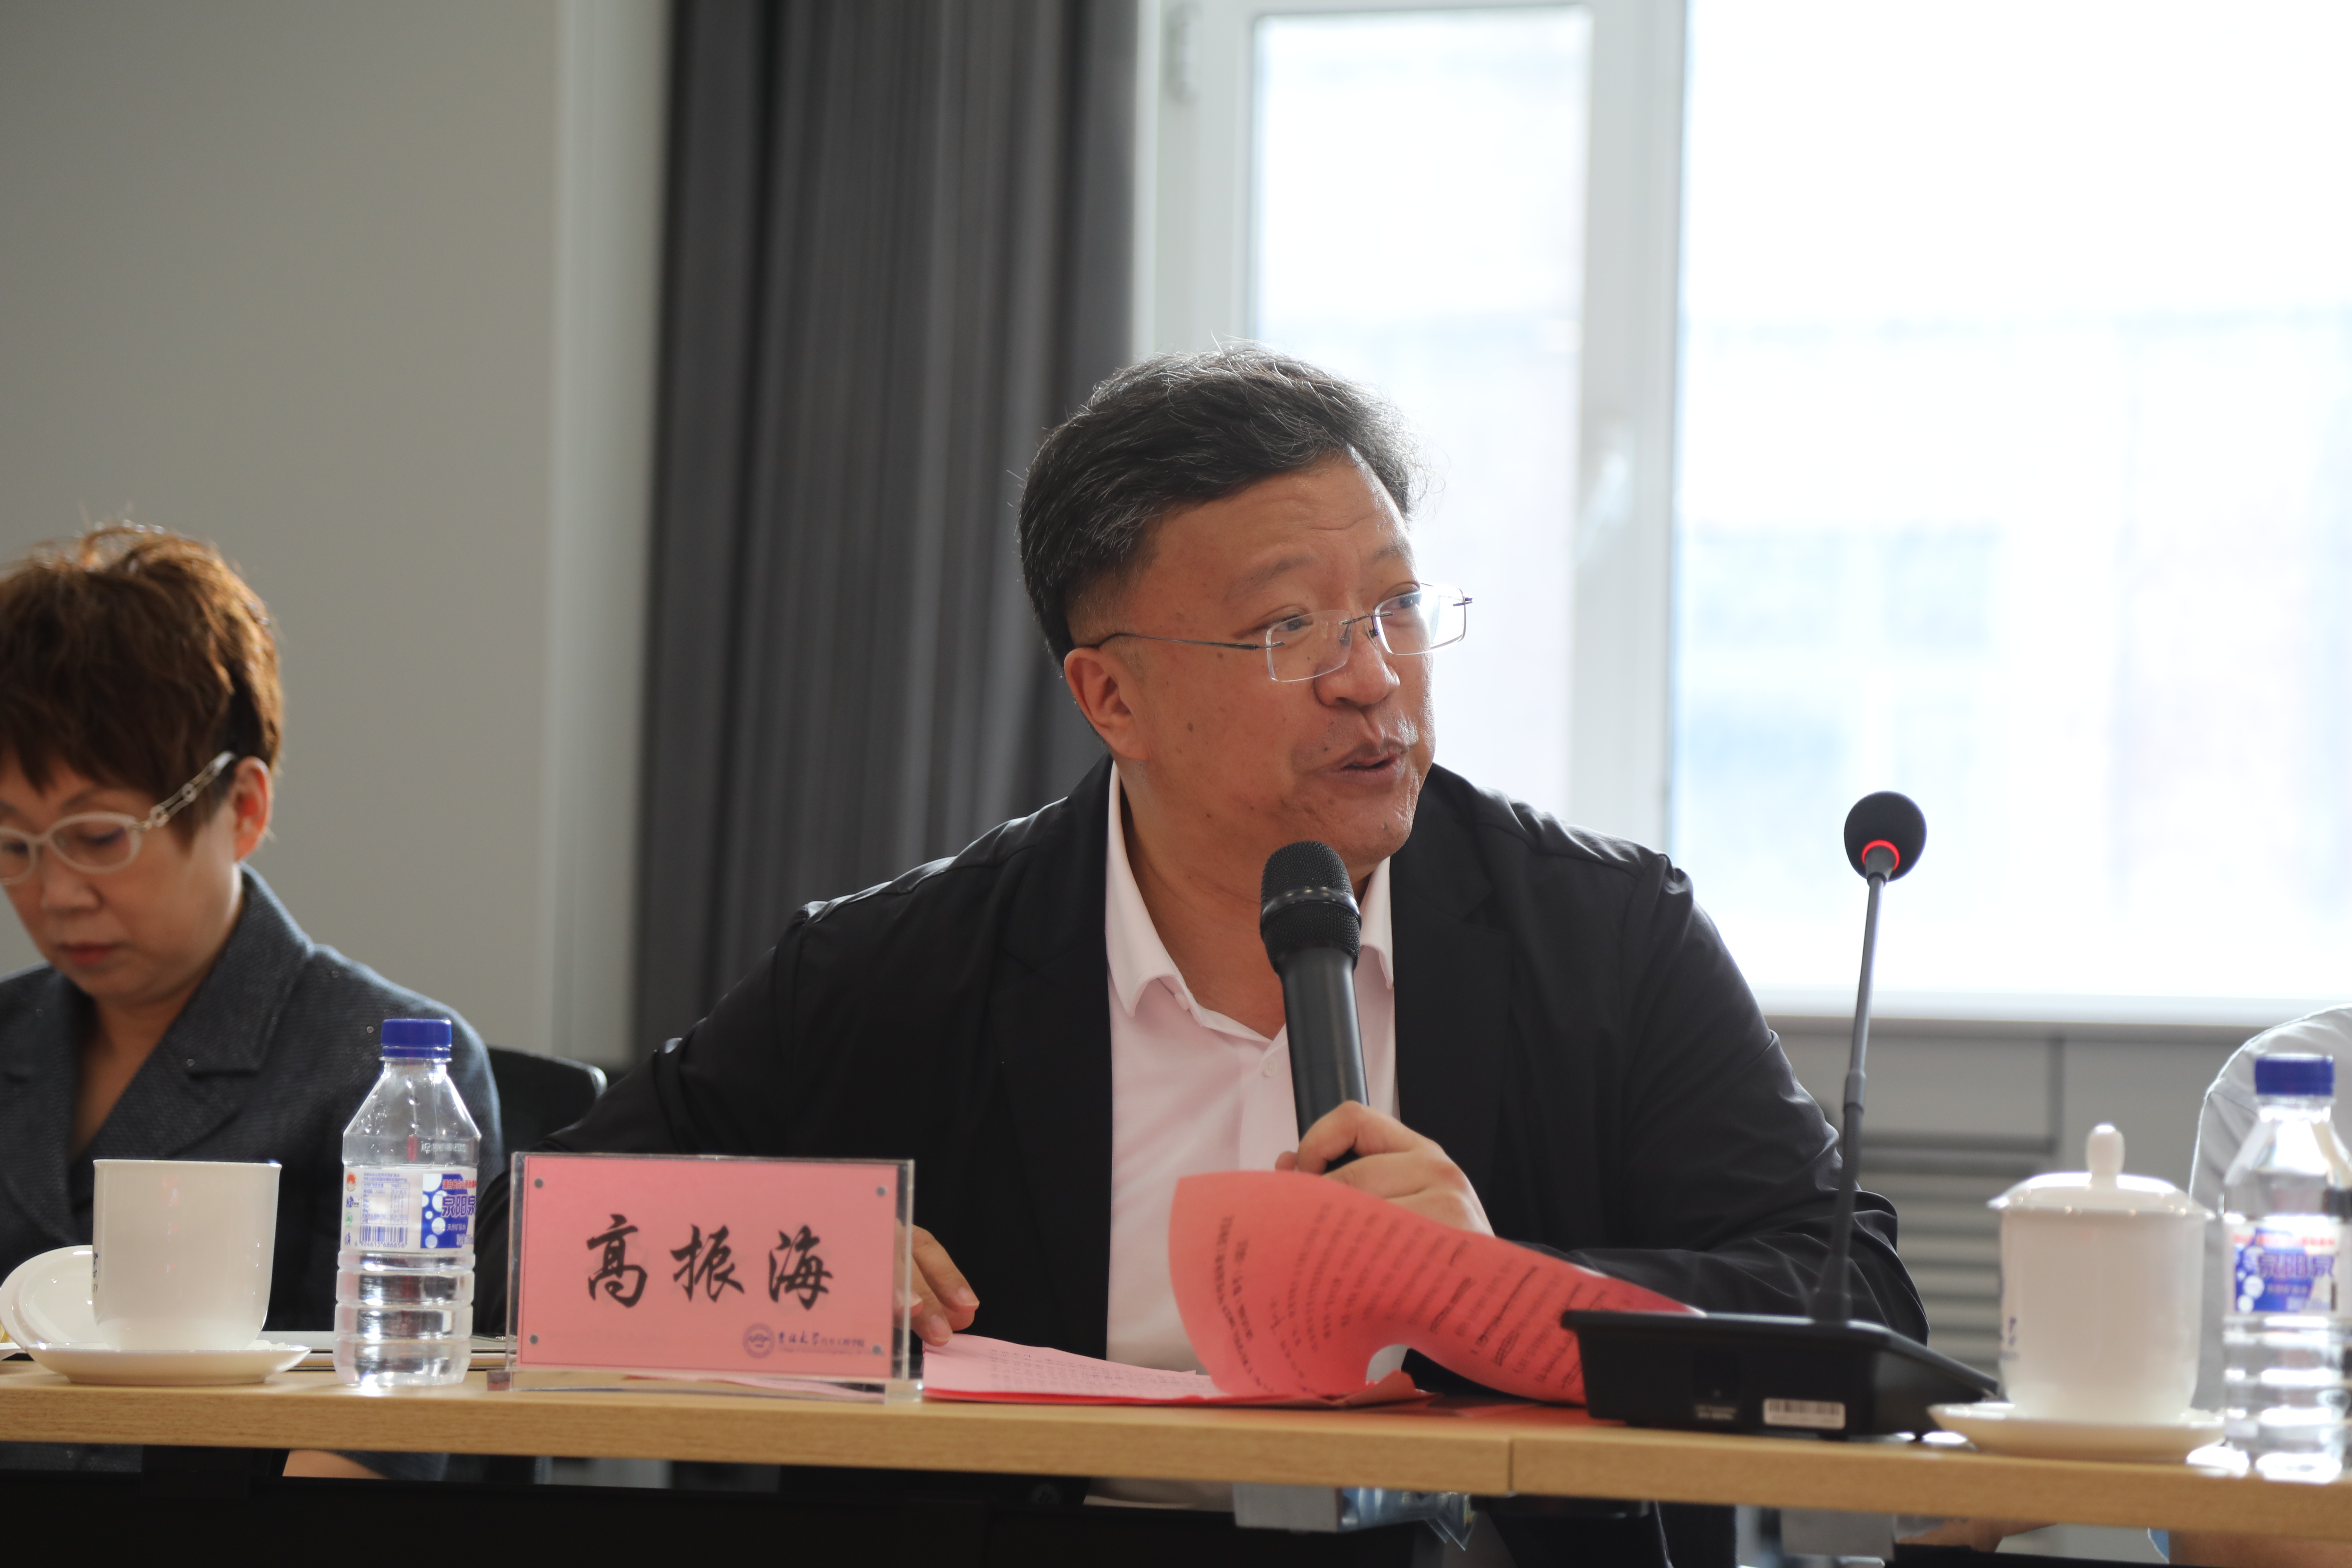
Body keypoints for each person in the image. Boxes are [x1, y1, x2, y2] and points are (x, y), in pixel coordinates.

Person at [480, 350, 1920, 1561]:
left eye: (1397, 607)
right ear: (1111, 695)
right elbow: (512, 1249)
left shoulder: (1603, 938)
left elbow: (1855, 1292)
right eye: (1290, 629)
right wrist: (795, 1262)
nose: (1375, 677)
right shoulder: (896, 970)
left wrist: (1501, 1284)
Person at [0, 526, 502, 1482]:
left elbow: (377, 1435)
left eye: (98, 838)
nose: (54, 893)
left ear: (242, 808)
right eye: (13, 844)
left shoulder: (381, 1070)